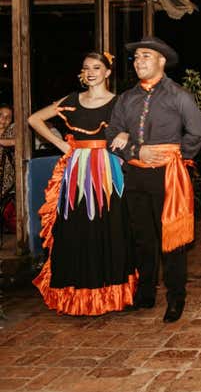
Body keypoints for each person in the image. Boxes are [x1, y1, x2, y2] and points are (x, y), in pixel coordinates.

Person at [106, 36, 201, 323]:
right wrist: (134, 149)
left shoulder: (178, 95)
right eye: (136, 57)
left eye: (146, 56)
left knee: (172, 240)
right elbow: (111, 134)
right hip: (135, 175)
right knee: (142, 238)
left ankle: (176, 299)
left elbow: (198, 132)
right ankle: (145, 293)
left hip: (168, 176)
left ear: (161, 60)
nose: (139, 61)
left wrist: (175, 155)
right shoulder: (126, 98)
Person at [30, 52, 136, 315]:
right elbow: (34, 119)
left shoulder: (120, 103)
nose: (91, 72)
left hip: (108, 171)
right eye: (86, 67)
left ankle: (109, 294)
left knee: (110, 227)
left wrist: (125, 133)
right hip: (77, 170)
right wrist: (62, 145)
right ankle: (75, 295)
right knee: (75, 227)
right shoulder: (72, 100)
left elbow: (139, 127)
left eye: (97, 67)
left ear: (107, 72)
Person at [0, 103, 15, 200]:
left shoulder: (11, 131)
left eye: (8, 117)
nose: (3, 119)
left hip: (4, 178)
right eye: (0, 115)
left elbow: (17, 142)